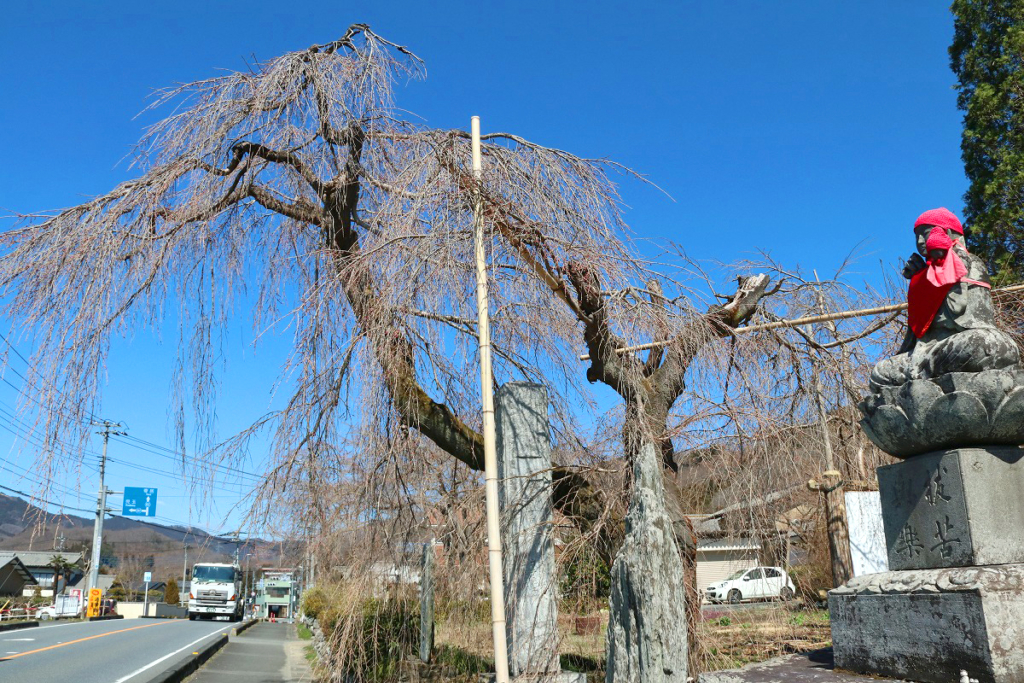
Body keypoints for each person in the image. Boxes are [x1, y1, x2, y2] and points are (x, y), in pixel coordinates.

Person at [870, 207, 1018, 389]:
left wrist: (947, 274)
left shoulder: (972, 262)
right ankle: (925, 371)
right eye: (916, 237)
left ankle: (925, 374)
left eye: (925, 234)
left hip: (964, 340)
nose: (920, 241)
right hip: (929, 350)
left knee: (989, 345)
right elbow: (918, 333)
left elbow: (973, 317)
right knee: (879, 373)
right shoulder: (922, 276)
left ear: (946, 233)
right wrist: (921, 281)